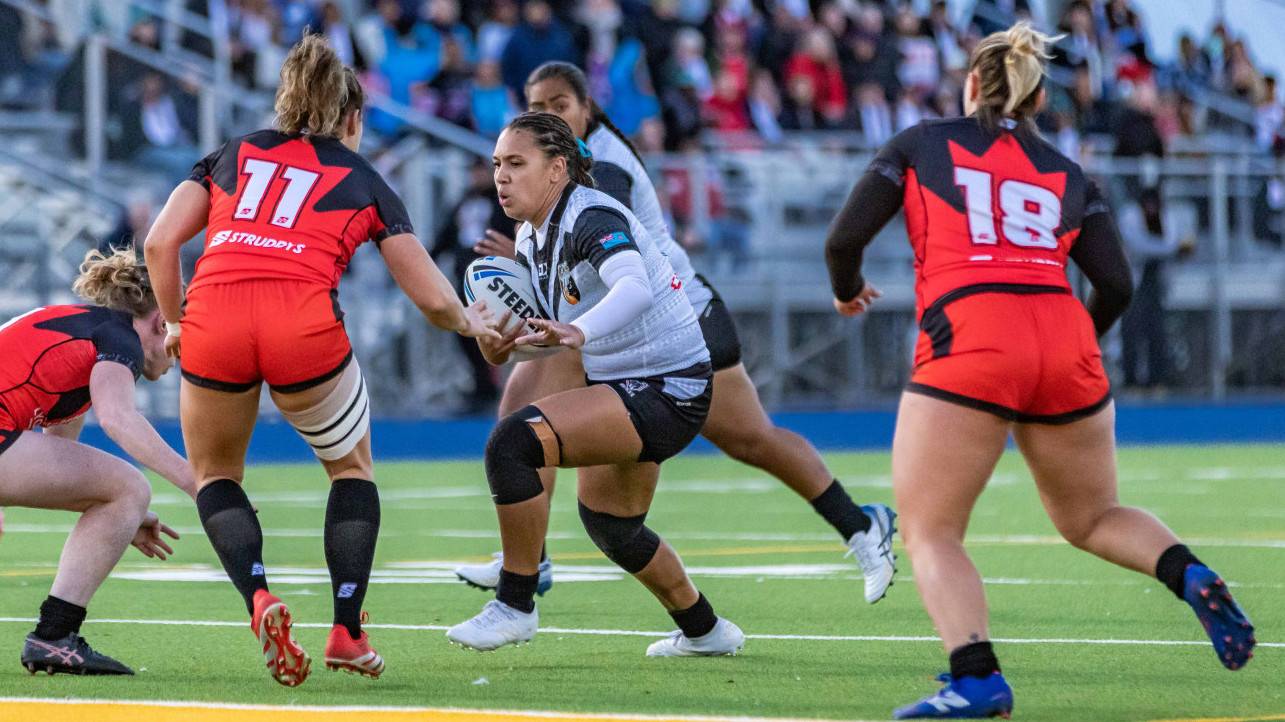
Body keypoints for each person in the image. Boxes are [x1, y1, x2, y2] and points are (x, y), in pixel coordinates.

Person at [823, 23, 1256, 719]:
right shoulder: (1066, 169)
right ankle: (1190, 573)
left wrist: (846, 289)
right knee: (1093, 517)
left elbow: (844, 238)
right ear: (1037, 97)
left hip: (971, 333)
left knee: (931, 532)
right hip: (1064, 336)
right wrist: (1071, 345)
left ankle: (976, 678)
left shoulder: (920, 143)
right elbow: (1116, 284)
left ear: (971, 83)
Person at [455, 61, 897, 605]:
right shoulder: (555, 168)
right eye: (538, 106)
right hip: (621, 326)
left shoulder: (599, 169)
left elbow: (600, 247)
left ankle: (861, 525)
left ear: (587, 109)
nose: (550, 115)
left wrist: (534, 265)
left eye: (560, 105)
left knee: (749, 439)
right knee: (528, 406)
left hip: (676, 317)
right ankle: (533, 557)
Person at [143, 36, 496, 687]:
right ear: (352, 116)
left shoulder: (232, 152)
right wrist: (470, 322)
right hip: (300, 325)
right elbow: (430, 298)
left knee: (216, 474)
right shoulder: (363, 177)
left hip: (216, 315)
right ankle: (346, 631)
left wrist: (173, 323)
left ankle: (258, 596)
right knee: (350, 469)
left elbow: (160, 243)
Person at [445, 112, 743, 657]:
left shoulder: (590, 214)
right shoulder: (531, 236)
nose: (501, 176)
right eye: (497, 164)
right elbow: (553, 331)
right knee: (612, 525)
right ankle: (706, 631)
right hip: (633, 384)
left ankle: (515, 605)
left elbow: (634, 289)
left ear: (557, 169)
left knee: (513, 444)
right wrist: (504, 347)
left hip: (668, 386)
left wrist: (578, 332)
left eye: (516, 163)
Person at [0, 248, 190, 676]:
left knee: (123, 493)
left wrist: (121, 515)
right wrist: (198, 483)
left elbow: (58, 462)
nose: (181, 352)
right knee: (130, 485)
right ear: (162, 323)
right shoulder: (119, 339)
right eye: (183, 333)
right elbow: (118, 418)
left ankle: (54, 637)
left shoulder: (87, 335)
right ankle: (54, 635)